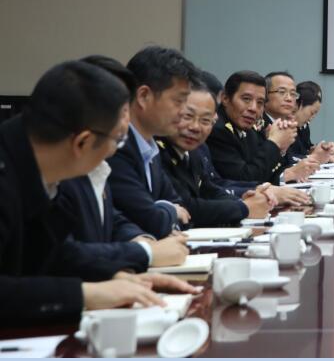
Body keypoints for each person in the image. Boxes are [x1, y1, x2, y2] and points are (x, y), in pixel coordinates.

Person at [0, 61, 185, 324]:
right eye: (118, 139)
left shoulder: (32, 162)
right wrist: (86, 294)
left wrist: (113, 276)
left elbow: (52, 253)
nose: (115, 151)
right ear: (83, 142)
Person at [54, 55, 189, 278]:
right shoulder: (62, 167)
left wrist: (140, 240)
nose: (127, 120)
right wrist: (145, 252)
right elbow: (62, 255)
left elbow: (112, 218)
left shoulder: (96, 161)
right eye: (122, 109)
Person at [107, 46, 195, 237]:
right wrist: (169, 211)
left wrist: (164, 210)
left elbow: (183, 211)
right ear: (143, 96)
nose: (184, 112)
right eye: (178, 101)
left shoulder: (150, 148)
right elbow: (149, 220)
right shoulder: (116, 147)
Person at [158, 82, 272, 226]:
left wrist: (243, 200)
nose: (195, 127)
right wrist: (243, 208)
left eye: (205, 120)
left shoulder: (195, 151)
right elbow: (186, 206)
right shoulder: (157, 151)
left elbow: (209, 189)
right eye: (187, 116)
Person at [208, 70, 307, 184]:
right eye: (246, 99)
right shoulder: (218, 130)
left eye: (260, 102)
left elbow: (264, 174)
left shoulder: (249, 130)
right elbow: (244, 180)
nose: (253, 108)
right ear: (225, 98)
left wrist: (280, 149)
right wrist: (274, 143)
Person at [261, 71, 324, 175]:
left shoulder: (284, 124)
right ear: (265, 95)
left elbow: (287, 161)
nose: (289, 99)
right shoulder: (257, 124)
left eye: (293, 94)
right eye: (282, 92)